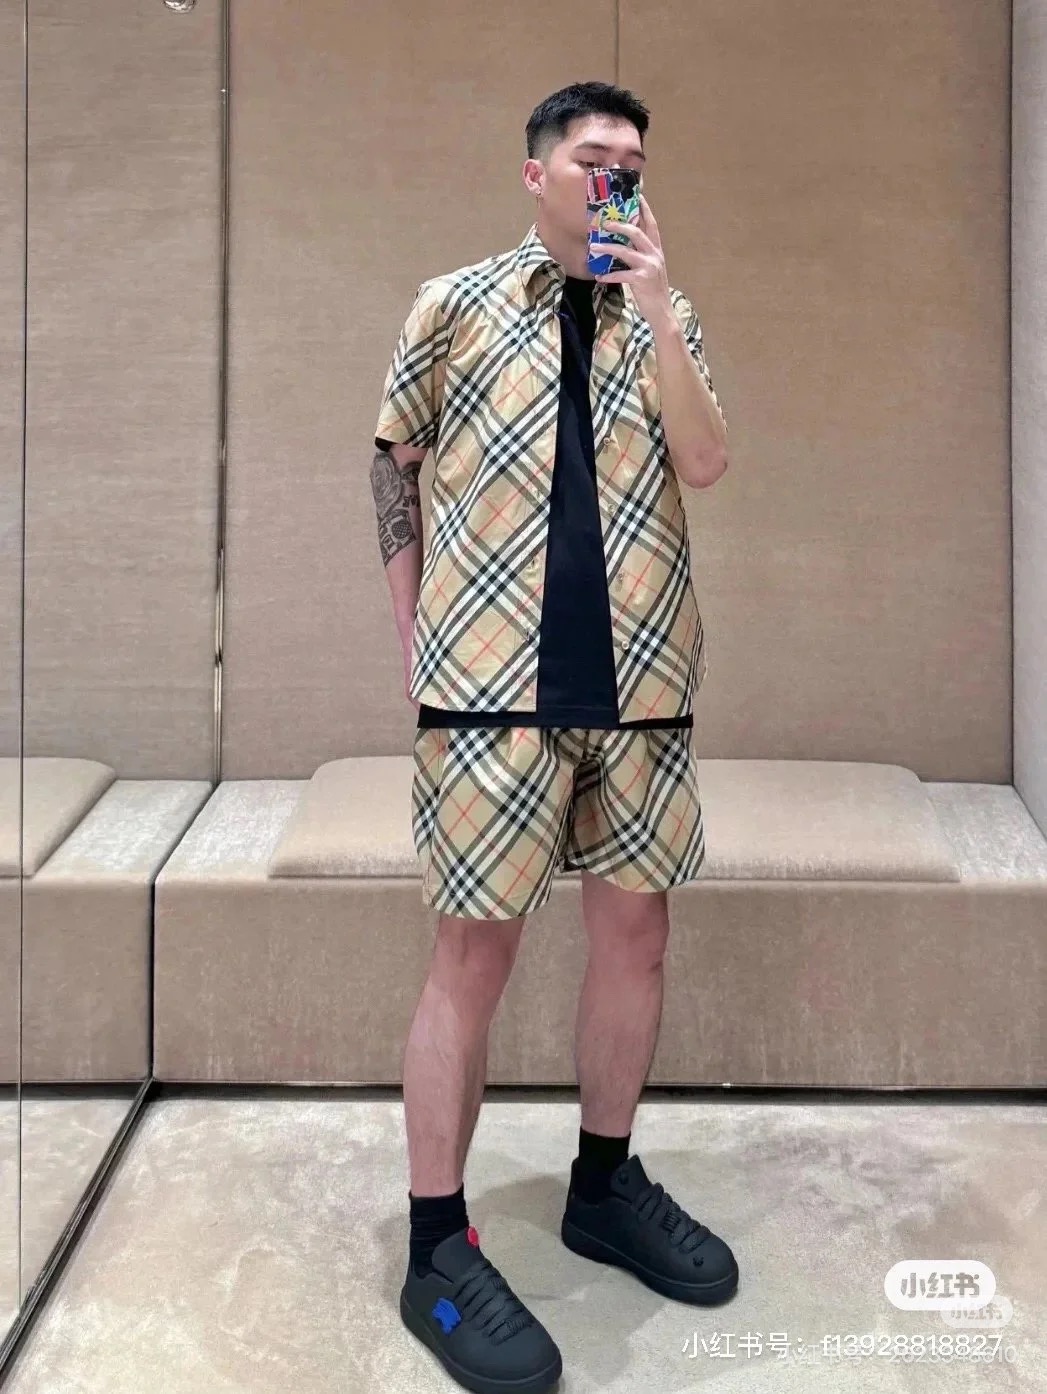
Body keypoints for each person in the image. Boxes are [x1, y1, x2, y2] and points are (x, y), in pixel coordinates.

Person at [371, 79, 734, 1394]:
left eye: (631, 160)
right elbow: (393, 458)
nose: (613, 177)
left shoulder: (666, 314)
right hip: (488, 694)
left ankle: (604, 1183)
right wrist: (414, 630)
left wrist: (658, 305)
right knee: (472, 956)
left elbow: (706, 462)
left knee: (637, 936)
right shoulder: (455, 303)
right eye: (592, 158)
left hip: (640, 686)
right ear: (538, 175)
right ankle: (436, 1244)